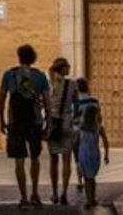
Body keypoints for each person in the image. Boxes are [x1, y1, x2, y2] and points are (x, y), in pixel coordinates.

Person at [0, 43, 50, 208]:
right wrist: (47, 122)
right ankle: (35, 192)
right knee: (35, 158)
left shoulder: (9, 75)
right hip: (34, 122)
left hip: (16, 122)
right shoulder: (40, 76)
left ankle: (24, 197)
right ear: (33, 58)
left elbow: (1, 99)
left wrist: (2, 120)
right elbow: (47, 102)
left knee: (19, 161)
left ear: (19, 57)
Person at [45, 57, 80, 205]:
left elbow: (45, 102)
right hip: (67, 122)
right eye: (68, 66)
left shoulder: (50, 85)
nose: (70, 68)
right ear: (63, 68)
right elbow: (77, 105)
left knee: (54, 160)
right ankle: (64, 192)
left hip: (53, 122)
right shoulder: (72, 85)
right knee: (66, 160)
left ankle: (54, 193)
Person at [73, 78, 110, 209]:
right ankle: (91, 198)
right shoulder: (94, 102)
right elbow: (105, 140)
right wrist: (106, 155)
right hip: (95, 152)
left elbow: (74, 122)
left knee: (87, 177)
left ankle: (88, 198)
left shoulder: (76, 104)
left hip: (83, 151)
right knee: (92, 177)